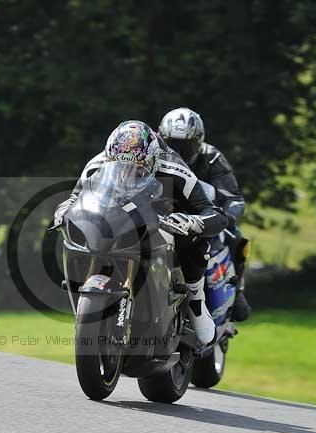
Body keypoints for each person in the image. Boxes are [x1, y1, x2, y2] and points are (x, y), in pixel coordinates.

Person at [54, 120, 231, 345]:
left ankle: (196, 300)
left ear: (152, 161)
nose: (127, 172)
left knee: (192, 239)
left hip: (165, 213)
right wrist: (63, 211)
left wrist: (190, 221)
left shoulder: (174, 168)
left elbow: (215, 213)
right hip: (118, 215)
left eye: (136, 169)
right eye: (120, 166)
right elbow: (75, 197)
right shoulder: (96, 164)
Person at [158, 107, 251, 322]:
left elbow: (232, 196)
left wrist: (226, 217)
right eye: (172, 144)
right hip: (165, 216)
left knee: (236, 236)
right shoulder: (154, 156)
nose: (178, 152)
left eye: (185, 145)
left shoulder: (212, 157)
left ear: (199, 141)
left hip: (204, 217)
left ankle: (238, 291)